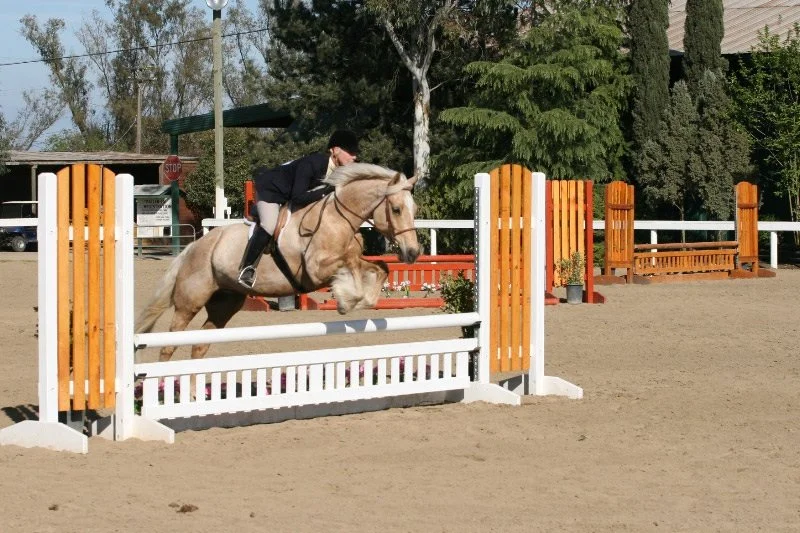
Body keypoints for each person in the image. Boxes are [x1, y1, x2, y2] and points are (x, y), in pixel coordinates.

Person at [237, 130, 360, 288]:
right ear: (335, 150)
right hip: (271, 191)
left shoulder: (340, 170)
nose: (354, 157)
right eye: (350, 152)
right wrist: (324, 192)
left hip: (290, 194)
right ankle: (247, 267)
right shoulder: (312, 163)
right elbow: (298, 197)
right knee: (269, 224)